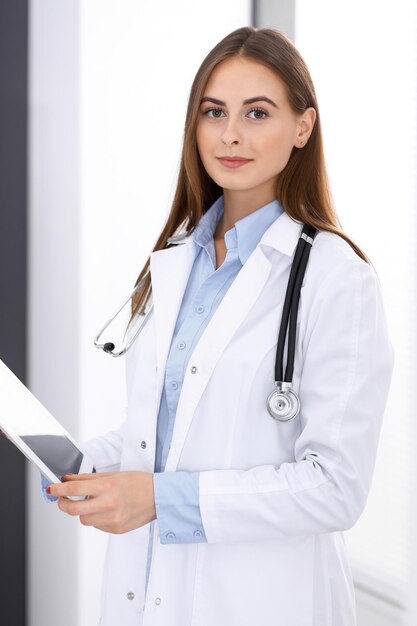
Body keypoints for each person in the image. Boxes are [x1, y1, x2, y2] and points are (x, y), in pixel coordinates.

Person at [46, 26, 395, 626]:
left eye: (258, 113)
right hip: (150, 591)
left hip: (264, 600)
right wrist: (85, 466)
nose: (230, 134)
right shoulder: (178, 258)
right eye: (214, 112)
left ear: (303, 127)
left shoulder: (339, 279)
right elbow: (164, 428)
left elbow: (335, 487)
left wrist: (158, 500)